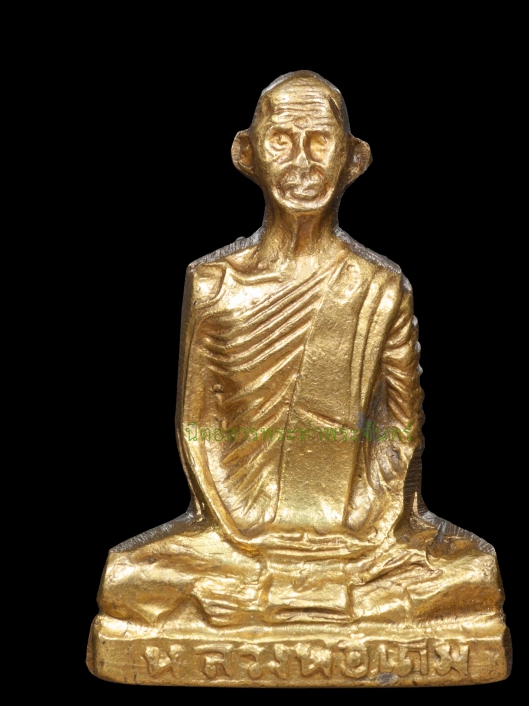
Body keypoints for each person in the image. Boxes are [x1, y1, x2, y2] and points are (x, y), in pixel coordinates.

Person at [94, 71, 503, 630]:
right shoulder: (213, 285)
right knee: (127, 574)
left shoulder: (380, 287)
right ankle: (338, 606)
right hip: (237, 535)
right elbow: (199, 429)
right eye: (281, 141)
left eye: (321, 140)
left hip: (359, 537)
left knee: (475, 572)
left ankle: (266, 603)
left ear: (353, 159)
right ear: (248, 154)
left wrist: (360, 530)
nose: (302, 163)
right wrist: (246, 532)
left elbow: (400, 432)